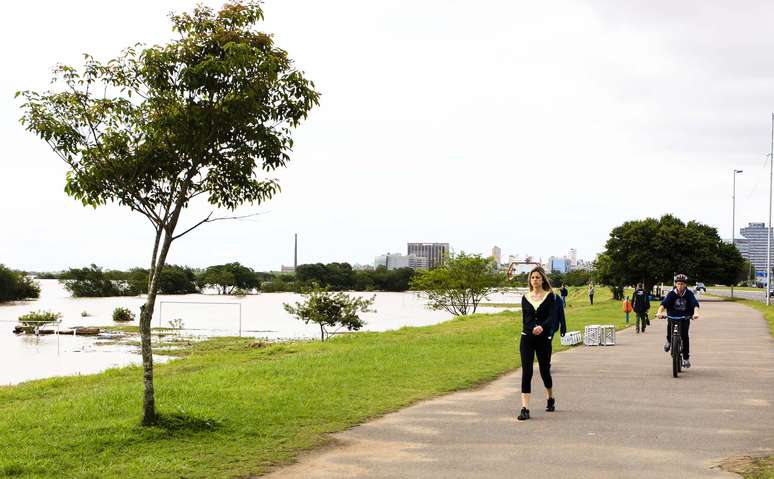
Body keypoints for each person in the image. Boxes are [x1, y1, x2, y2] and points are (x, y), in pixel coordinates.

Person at [517, 266, 558, 421]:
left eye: (538, 278)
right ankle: (525, 408)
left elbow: (551, 317)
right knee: (527, 372)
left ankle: (550, 398)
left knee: (544, 371)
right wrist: (531, 328)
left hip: (543, 339)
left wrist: (542, 327)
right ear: (530, 280)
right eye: (533, 278)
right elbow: (525, 319)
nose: (535, 280)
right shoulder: (525, 297)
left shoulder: (550, 296)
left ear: (542, 280)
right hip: (527, 338)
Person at [656, 274, 700, 368]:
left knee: (685, 337)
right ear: (675, 284)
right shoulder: (672, 294)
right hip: (673, 316)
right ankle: (669, 341)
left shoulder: (689, 294)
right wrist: (659, 312)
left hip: (685, 317)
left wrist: (696, 313)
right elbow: (663, 304)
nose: (680, 286)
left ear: (685, 285)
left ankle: (686, 358)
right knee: (669, 328)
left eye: (682, 284)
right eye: (678, 284)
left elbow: (694, 304)